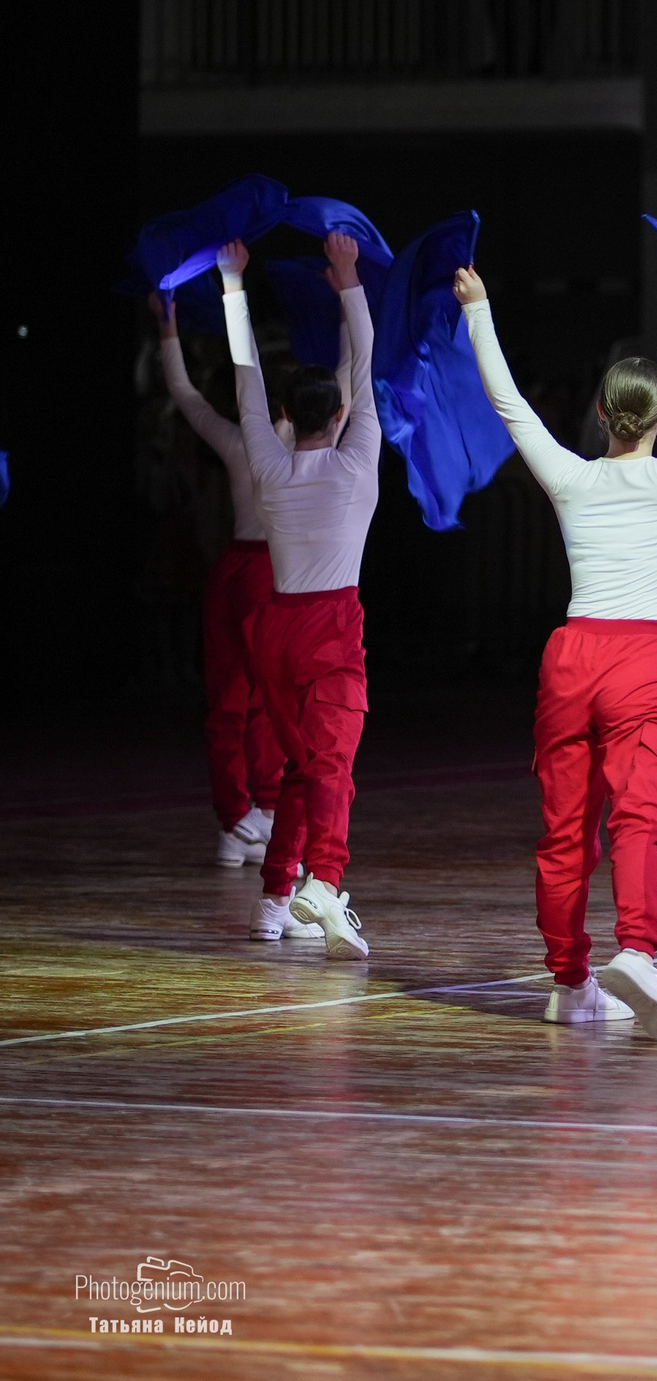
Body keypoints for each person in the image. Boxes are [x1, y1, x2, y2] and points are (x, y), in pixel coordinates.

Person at [458, 258, 657, 1038]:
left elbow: (509, 403)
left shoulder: (571, 479)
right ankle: (638, 952)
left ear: (599, 414)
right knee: (638, 817)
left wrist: (480, 309)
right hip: (644, 657)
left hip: (571, 655)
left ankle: (569, 981)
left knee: (564, 828)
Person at [222, 233, 379, 959]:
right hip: (327, 627)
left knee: (298, 771)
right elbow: (367, 360)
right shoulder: (356, 462)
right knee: (331, 771)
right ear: (341, 415)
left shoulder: (270, 467)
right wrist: (348, 280)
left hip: (273, 629)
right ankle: (327, 882)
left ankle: (276, 897)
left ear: (288, 413)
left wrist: (233, 286)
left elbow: (244, 378)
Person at [155, 291, 295, 869]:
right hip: (270, 573)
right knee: (266, 700)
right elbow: (350, 379)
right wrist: (347, 300)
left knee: (228, 702)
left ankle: (237, 820)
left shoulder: (240, 443)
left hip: (232, 572)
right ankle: (256, 811)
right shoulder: (310, 449)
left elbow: (186, 394)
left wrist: (166, 330)